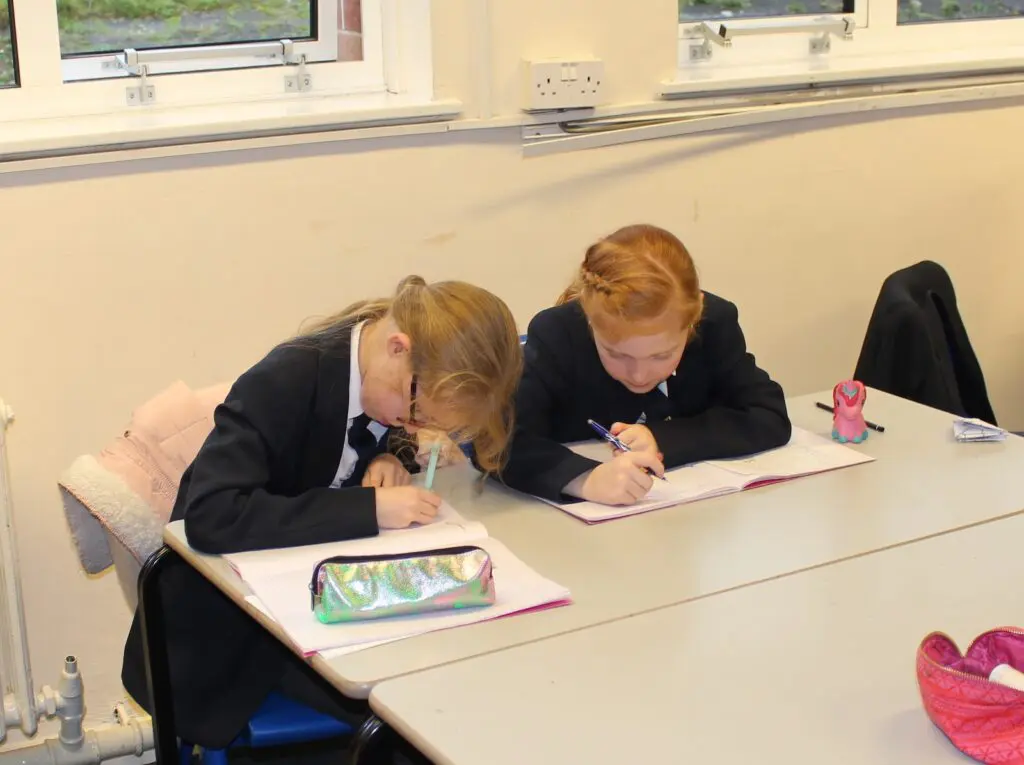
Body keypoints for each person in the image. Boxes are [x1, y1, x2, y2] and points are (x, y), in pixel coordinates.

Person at [120, 276, 522, 759]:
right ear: (398, 348)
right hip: (233, 635)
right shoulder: (287, 379)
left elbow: (362, 432)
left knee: (474, 676)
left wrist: (390, 455)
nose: (414, 427)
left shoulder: (380, 373)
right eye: (415, 414)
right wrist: (366, 508)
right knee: (419, 720)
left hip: (327, 598)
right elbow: (211, 516)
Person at [501, 224, 791, 506]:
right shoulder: (557, 334)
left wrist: (664, 438)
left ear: (694, 319)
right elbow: (501, 443)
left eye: (661, 356)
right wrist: (585, 479)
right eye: (618, 355)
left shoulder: (715, 324)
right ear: (589, 319)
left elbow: (767, 414)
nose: (639, 375)